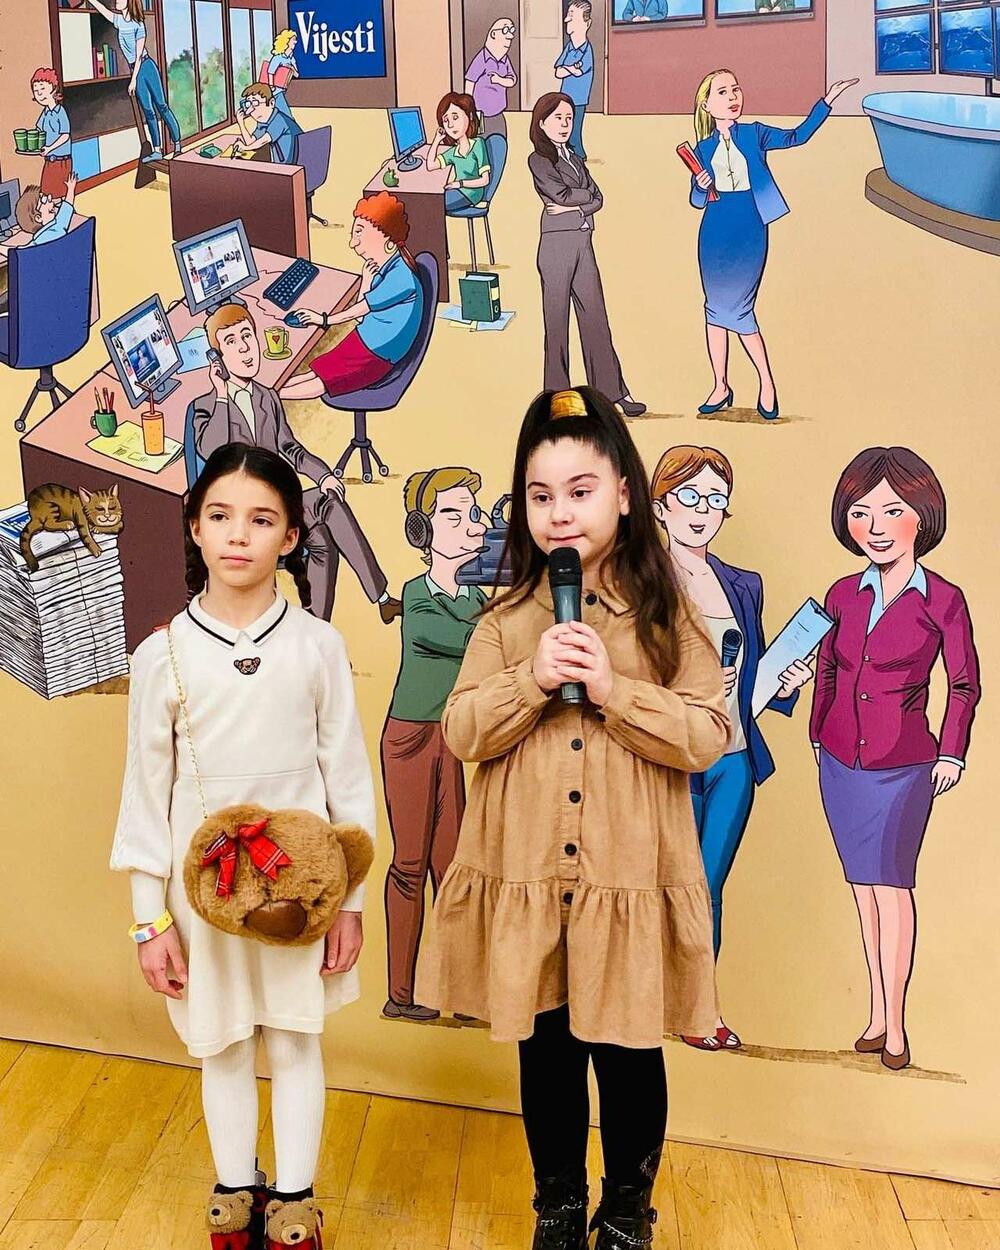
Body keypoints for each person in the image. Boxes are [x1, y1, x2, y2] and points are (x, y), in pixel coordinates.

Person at [416, 386, 729, 1250]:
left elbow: (708, 733)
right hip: (530, 879)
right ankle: (555, 1206)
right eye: (540, 495)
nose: (560, 513)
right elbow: (462, 730)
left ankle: (626, 1211)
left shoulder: (668, 617)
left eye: (580, 491)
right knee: (546, 1052)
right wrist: (533, 679)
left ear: (624, 493)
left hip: (622, 882)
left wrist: (613, 689)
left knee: (628, 1055)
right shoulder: (507, 618)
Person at [110, 444, 376, 1250]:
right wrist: (148, 920)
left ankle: (294, 1203)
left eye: (261, 520)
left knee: (294, 1037)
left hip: (301, 894)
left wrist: (351, 904)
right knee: (221, 1044)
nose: (238, 535)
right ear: (194, 527)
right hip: (204, 899)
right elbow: (144, 796)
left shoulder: (318, 646)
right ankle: (234, 1191)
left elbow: (348, 781)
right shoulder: (161, 656)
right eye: (220, 516)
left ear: (290, 537)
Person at [811, 447, 980, 1072]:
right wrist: (816, 735)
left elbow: (964, 684)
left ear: (922, 514)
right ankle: (877, 1016)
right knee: (863, 890)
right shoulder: (841, 594)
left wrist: (952, 752)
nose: (875, 527)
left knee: (893, 888)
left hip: (904, 764)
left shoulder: (944, 599)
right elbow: (828, 668)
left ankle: (898, 1024)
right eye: (860, 513)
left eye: (891, 511)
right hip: (839, 761)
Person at [651, 444, 813, 1051]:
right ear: (660, 507)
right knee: (665, 884)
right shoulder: (640, 581)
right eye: (689, 496)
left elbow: (755, 671)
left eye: (716, 500)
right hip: (670, 755)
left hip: (734, 756)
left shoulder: (743, 584)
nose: (702, 511)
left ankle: (699, 1009)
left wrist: (783, 683)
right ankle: (650, 999)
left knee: (707, 887)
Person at [192, 302, 402, 626]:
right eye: (231, 342)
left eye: (247, 335)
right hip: (243, 515)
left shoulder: (266, 397)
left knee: (323, 535)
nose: (245, 348)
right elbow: (211, 448)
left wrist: (324, 475)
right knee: (325, 513)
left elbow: (290, 448)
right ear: (217, 359)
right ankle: (379, 598)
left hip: (276, 502)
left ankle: (318, 626)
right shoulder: (207, 406)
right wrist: (221, 394)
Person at [381, 467, 488, 1023]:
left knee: (453, 866)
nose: (471, 524)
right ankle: (401, 993)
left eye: (473, 514)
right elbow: (462, 640)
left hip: (452, 738)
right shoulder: (417, 595)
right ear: (423, 530)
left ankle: (458, 991)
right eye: (453, 514)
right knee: (409, 864)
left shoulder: (478, 597)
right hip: (410, 737)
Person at [688, 69, 856, 420]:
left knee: (740, 310)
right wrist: (701, 185)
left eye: (736, 89)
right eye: (723, 92)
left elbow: (797, 137)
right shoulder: (702, 149)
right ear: (706, 105)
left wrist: (827, 101)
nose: (733, 97)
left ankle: (766, 382)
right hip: (715, 230)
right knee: (714, 309)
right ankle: (720, 386)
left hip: (750, 224)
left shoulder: (754, 133)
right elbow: (696, 200)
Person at [528, 93, 645, 420]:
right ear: (542, 123)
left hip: (582, 240)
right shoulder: (538, 160)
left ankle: (613, 393)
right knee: (557, 325)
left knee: (595, 318)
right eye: (558, 118)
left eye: (569, 118)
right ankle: (557, 400)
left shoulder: (575, 157)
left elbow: (598, 197)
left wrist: (575, 208)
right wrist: (579, 201)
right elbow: (561, 193)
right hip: (555, 246)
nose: (565, 124)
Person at [281, 192, 424, 402]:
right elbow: (362, 317)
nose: (353, 243)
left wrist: (323, 319)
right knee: (316, 371)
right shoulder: (386, 268)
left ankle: (265, 397)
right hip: (366, 338)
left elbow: (360, 309)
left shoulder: (401, 277)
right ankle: (264, 392)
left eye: (359, 233)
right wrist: (367, 279)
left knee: (322, 382)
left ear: (388, 239)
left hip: (377, 355)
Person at [88, 0, 182, 163]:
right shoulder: (119, 21)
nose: (117, 1)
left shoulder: (138, 24)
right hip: (135, 70)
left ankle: (178, 145)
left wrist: (133, 80)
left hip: (146, 67)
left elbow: (138, 56)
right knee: (148, 111)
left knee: (162, 106)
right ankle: (157, 150)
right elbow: (102, 9)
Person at [426, 92, 491, 211]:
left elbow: (485, 180)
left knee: (434, 205)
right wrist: (436, 140)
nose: (450, 125)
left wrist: (459, 184)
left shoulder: (478, 144)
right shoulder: (453, 152)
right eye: (446, 120)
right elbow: (431, 165)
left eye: (455, 117)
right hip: (457, 190)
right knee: (431, 201)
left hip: (472, 194)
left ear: (470, 116)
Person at [464, 18, 518, 140]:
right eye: (505, 30)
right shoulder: (482, 59)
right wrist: (469, 109)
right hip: (480, 115)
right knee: (481, 143)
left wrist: (499, 80)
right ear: (493, 34)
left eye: (511, 31)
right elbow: (470, 82)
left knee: (500, 141)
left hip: (498, 113)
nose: (510, 37)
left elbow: (512, 80)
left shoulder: (505, 59)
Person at [554, 1, 594, 160]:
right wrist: (571, 68)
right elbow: (558, 72)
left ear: (587, 24)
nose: (567, 20)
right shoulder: (569, 47)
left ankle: (579, 156)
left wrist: (568, 68)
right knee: (563, 127)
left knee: (574, 129)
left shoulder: (587, 50)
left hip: (578, 99)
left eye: (573, 17)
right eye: (567, 16)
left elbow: (578, 72)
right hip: (565, 97)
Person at [234, 82, 302, 164]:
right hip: (278, 163)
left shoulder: (279, 120)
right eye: (248, 104)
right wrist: (241, 123)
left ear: (271, 103)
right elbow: (251, 142)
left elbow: (263, 141)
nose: (251, 109)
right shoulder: (263, 122)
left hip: (292, 165)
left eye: (255, 103)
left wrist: (245, 147)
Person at [30, 68, 72, 198]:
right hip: (49, 161)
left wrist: (49, 148)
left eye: (42, 89)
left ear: (53, 89)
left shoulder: (60, 111)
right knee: (46, 193)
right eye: (36, 91)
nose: (39, 94)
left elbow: (65, 135)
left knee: (60, 195)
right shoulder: (45, 113)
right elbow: (38, 131)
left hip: (61, 161)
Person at [14, 171, 78, 246]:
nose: (50, 198)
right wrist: (70, 189)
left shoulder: (36, 243)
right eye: (44, 200)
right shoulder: (58, 227)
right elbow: (66, 208)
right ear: (38, 218)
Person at [266, 28, 300, 119]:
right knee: (286, 114)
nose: (295, 42)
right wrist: (271, 86)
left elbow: (297, 75)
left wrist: (291, 68)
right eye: (293, 40)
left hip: (283, 89)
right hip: (275, 91)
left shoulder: (291, 59)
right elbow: (270, 72)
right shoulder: (277, 58)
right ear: (287, 41)